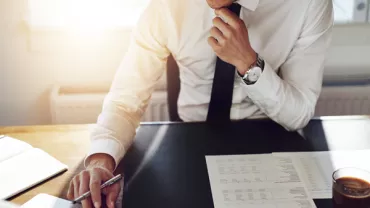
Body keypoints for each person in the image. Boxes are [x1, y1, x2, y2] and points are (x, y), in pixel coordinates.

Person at [67, 0, 333, 207]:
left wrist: (249, 64)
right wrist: (101, 160)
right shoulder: (166, 6)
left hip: (269, 144)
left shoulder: (308, 5)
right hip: (187, 146)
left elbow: (299, 113)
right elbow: (125, 101)